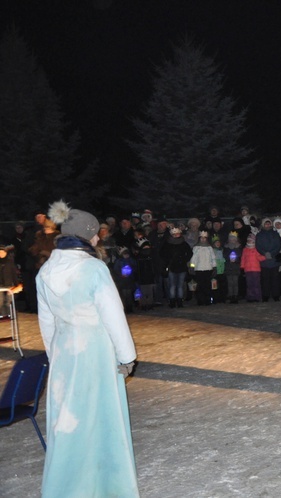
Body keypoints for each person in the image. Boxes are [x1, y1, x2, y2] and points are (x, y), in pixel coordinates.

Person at [36, 200, 139, 497]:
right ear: (85, 235)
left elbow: (47, 322)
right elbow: (113, 316)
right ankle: (109, 485)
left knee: (69, 419)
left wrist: (55, 355)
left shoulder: (45, 272)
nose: (98, 239)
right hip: (95, 351)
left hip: (66, 351)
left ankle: (67, 486)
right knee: (102, 416)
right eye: (95, 234)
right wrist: (127, 357)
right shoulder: (93, 268)